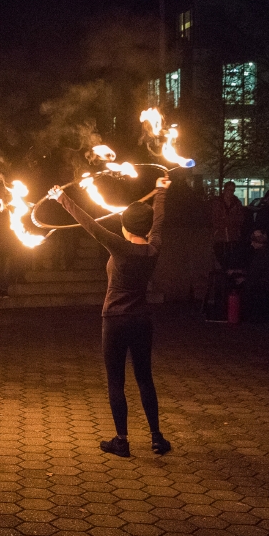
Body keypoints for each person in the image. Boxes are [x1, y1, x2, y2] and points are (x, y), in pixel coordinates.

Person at [56, 177, 173, 457]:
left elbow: (90, 225)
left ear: (125, 226)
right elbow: (158, 220)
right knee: (145, 378)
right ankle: (156, 437)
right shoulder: (153, 247)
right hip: (141, 319)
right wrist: (160, 191)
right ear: (146, 228)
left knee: (115, 381)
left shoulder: (119, 246)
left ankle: (122, 441)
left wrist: (62, 198)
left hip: (115, 320)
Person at [211, 181, 244, 270]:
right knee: (220, 259)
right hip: (220, 236)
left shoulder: (237, 203)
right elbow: (215, 218)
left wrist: (231, 222)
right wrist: (228, 221)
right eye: (228, 190)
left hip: (233, 236)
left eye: (232, 190)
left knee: (232, 259)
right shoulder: (217, 202)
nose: (230, 192)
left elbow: (240, 219)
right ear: (224, 190)